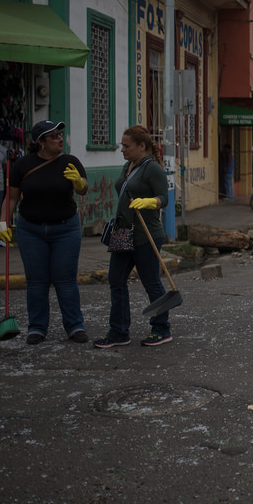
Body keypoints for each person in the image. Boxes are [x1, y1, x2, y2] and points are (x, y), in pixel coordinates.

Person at [1, 121, 89, 345]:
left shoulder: (70, 161)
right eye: (53, 136)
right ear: (40, 142)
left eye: (60, 135)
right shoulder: (23, 164)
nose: (60, 139)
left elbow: (83, 188)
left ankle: (75, 325)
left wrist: (78, 183)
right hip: (31, 230)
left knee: (66, 279)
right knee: (37, 281)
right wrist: (2, 223)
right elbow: (11, 198)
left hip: (65, 229)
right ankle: (37, 328)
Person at [94, 125, 173, 349]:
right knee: (116, 279)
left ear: (142, 146)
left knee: (151, 282)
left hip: (145, 234)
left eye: (126, 146)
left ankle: (161, 329)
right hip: (122, 232)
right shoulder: (128, 166)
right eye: (121, 145)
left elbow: (163, 198)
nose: (122, 149)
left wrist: (150, 202)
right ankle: (118, 331)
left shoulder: (153, 169)